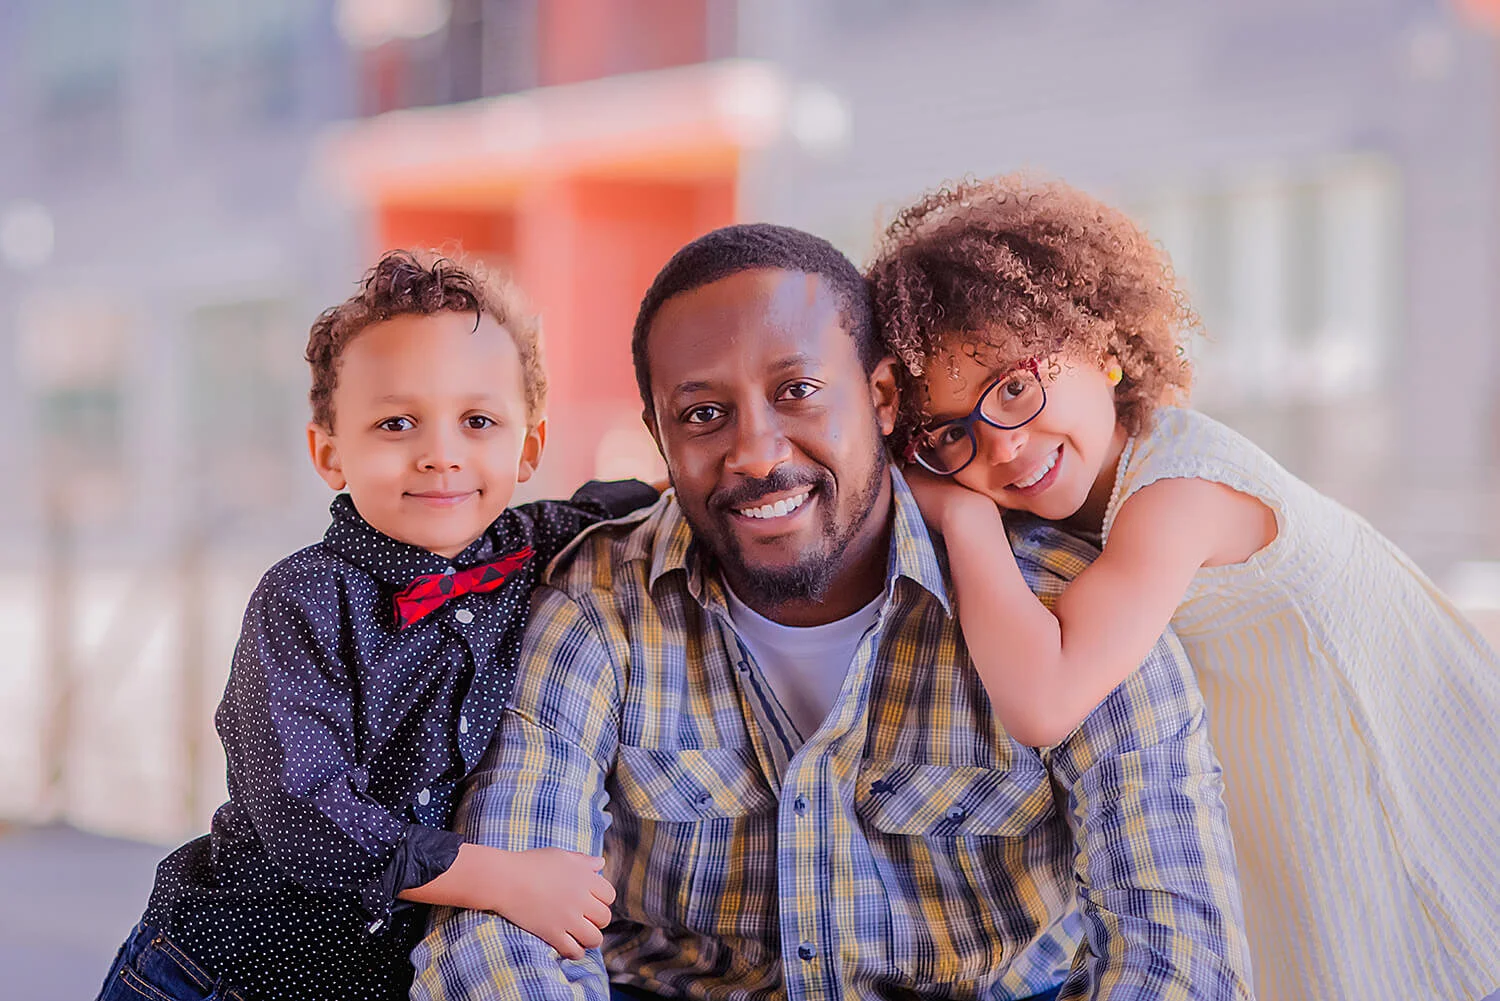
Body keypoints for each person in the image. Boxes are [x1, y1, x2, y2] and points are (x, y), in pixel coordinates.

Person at [410, 224, 1254, 1000]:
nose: (755, 452)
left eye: (799, 390)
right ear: (660, 435)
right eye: (704, 414)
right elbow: (499, 939)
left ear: (883, 397)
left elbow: (1175, 950)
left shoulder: (1066, 609)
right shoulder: (596, 607)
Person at [866, 174, 1500, 1001]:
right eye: (952, 433)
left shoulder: (1178, 492)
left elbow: (1045, 697)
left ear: (1102, 346)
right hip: (1284, 804)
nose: (1004, 447)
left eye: (1015, 386)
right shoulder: (1085, 497)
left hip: (1388, 785)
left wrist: (965, 519)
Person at [95, 250, 660, 1001]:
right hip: (216, 976)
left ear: (527, 447)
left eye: (478, 420)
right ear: (329, 452)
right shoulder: (302, 602)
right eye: (397, 422)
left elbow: (633, 502)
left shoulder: (532, 546)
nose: (440, 454)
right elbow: (308, 812)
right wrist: (502, 878)